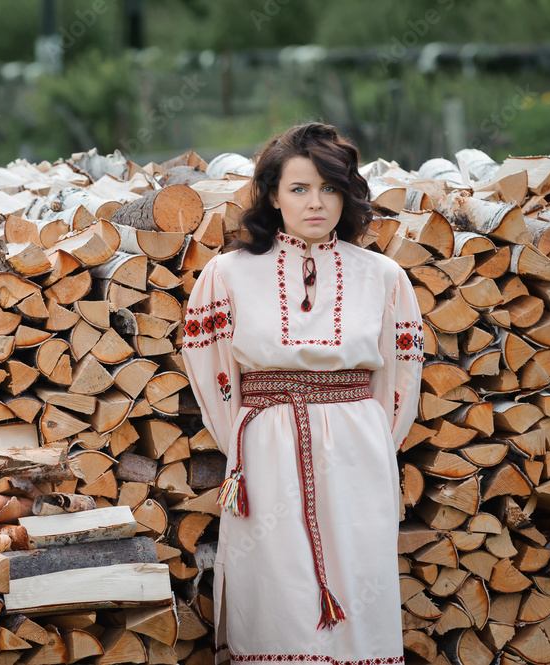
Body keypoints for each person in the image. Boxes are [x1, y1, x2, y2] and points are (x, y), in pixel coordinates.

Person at [182, 122, 423, 664]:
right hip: (265, 448)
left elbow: (400, 377)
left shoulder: (383, 276)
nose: (316, 202)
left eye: (330, 188)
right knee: (276, 584)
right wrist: (246, 441)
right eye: (299, 188)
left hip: (358, 449)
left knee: (358, 575)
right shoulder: (228, 274)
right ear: (272, 194)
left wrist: (372, 443)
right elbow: (213, 369)